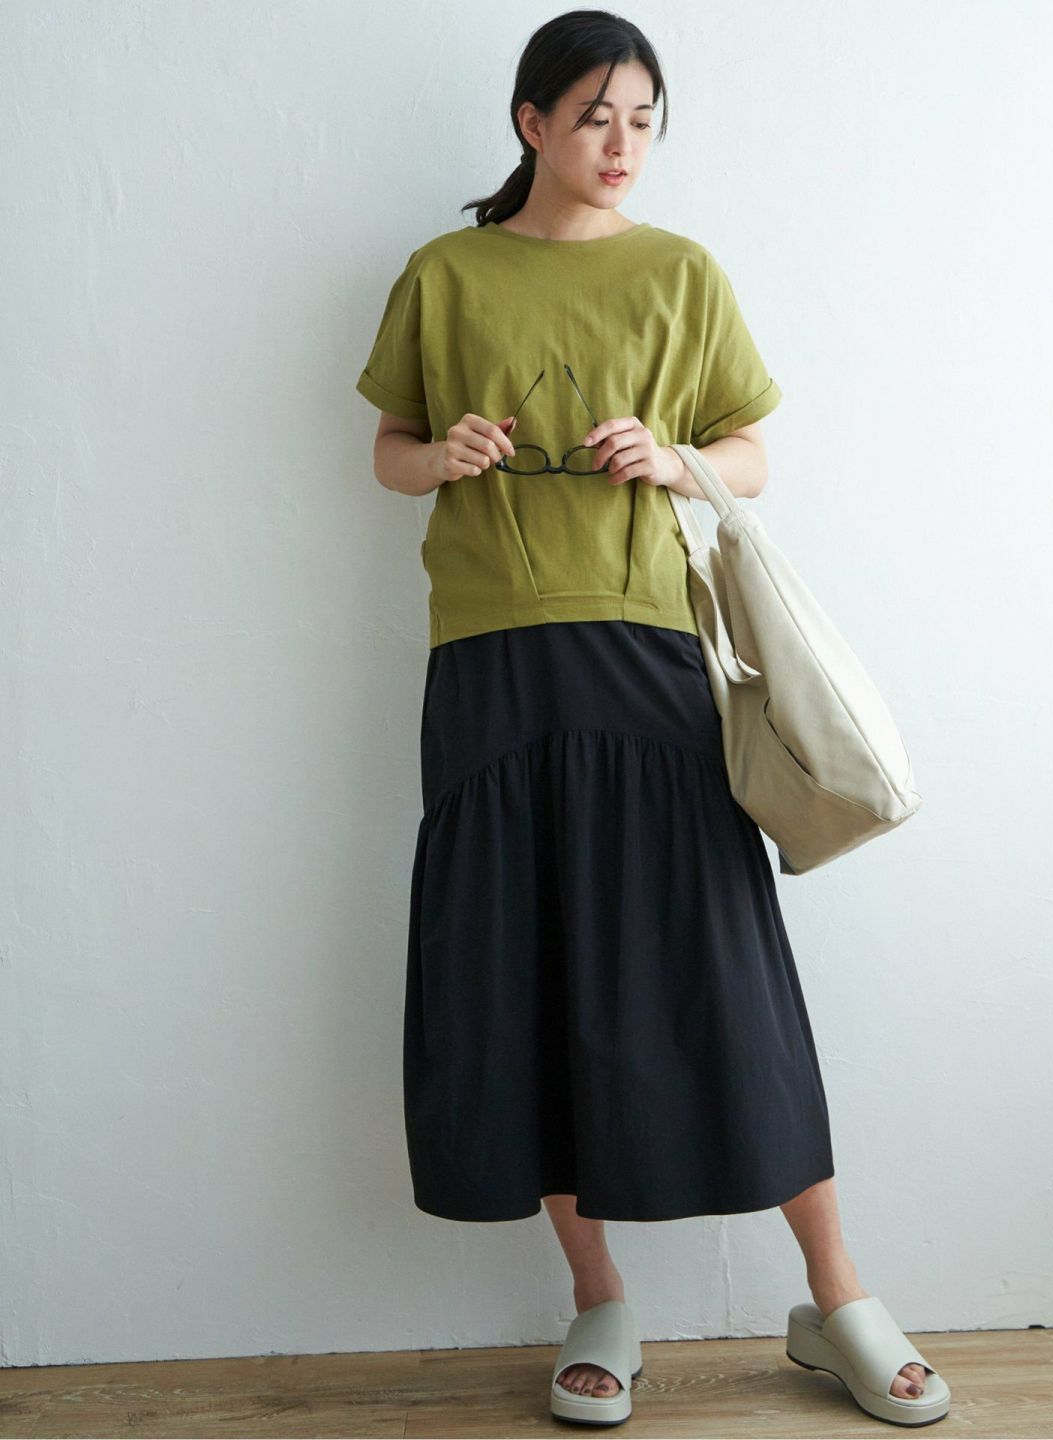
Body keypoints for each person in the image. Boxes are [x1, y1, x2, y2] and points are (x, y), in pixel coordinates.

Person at [355, 11, 949, 1429]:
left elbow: (753, 451)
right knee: (530, 974)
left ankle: (837, 1298)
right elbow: (386, 451)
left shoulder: (682, 274)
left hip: (649, 653)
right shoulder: (444, 275)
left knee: (725, 971)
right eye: (594, 116)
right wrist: (443, 454)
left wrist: (676, 459)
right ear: (531, 123)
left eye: (642, 121)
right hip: (489, 664)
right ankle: (601, 1299)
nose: (621, 145)